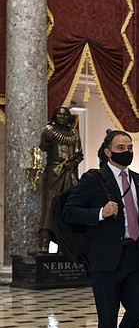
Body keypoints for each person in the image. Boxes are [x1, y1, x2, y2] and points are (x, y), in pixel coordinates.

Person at [63, 129, 139, 328]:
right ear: (107, 152)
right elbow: (70, 212)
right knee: (107, 315)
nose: (126, 151)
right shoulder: (94, 180)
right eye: (120, 147)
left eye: (129, 147)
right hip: (105, 258)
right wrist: (100, 213)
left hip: (137, 255)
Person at [39, 106, 84, 252]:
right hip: (54, 172)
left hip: (70, 172)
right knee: (50, 205)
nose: (62, 118)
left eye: (65, 115)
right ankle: (44, 243)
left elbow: (79, 154)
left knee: (68, 206)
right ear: (54, 116)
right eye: (59, 115)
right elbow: (44, 147)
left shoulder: (73, 133)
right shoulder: (50, 131)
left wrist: (73, 163)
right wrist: (46, 138)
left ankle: (64, 244)